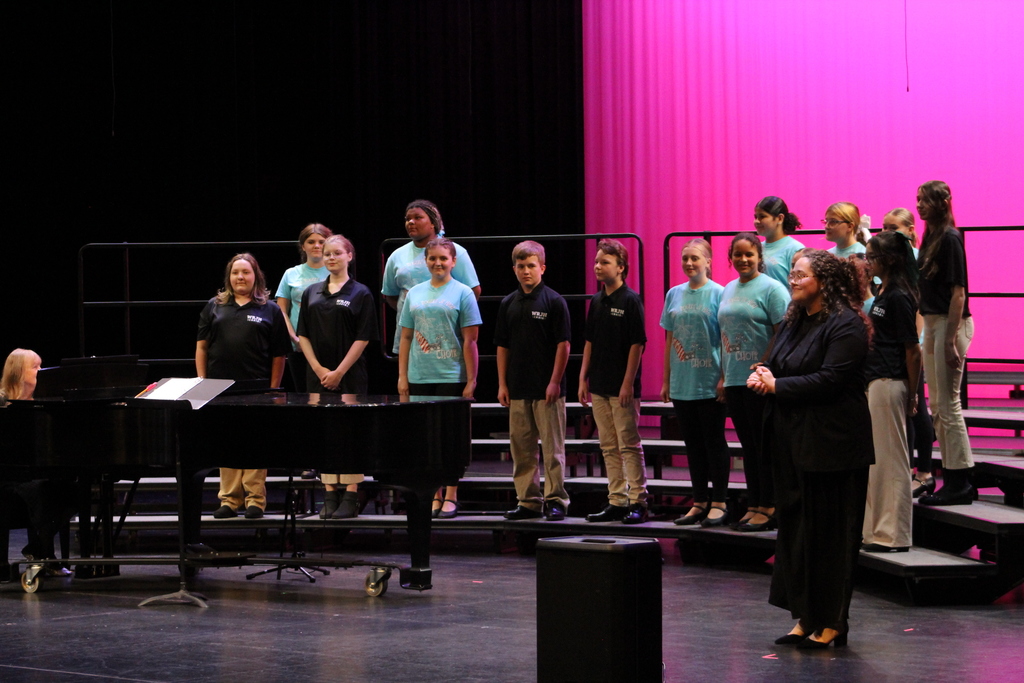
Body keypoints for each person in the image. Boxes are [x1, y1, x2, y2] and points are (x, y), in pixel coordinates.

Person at [747, 249, 874, 649]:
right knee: (799, 533)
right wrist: (766, 373)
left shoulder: (846, 325)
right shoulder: (794, 320)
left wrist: (778, 386)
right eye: (794, 275)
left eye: (801, 275)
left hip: (834, 447)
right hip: (794, 442)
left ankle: (833, 621)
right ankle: (805, 617)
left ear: (824, 280)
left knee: (832, 536)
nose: (794, 280)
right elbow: (782, 364)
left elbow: (830, 379)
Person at [197, 253, 291, 519]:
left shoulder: (269, 309)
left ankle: (254, 501)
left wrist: (273, 388)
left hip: (257, 389)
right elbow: (202, 347)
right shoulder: (213, 306)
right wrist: (202, 382)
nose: (241, 277)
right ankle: (229, 500)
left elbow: (279, 354)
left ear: (255, 276)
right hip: (219, 389)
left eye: (246, 272)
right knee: (227, 443)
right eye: (236, 272)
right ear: (229, 277)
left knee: (255, 443)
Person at [397, 237, 482, 519]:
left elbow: (470, 341)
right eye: (432, 258)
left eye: (443, 259)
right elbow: (406, 336)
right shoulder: (415, 293)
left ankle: (451, 495)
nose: (438, 263)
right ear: (426, 261)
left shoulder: (463, 293)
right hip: (419, 375)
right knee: (425, 440)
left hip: (451, 375)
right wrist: (402, 377)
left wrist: (471, 380)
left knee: (449, 439)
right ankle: (432, 494)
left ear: (453, 262)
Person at [297, 235, 379, 519]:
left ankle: (352, 493)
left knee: (350, 433)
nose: (330, 257)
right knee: (325, 434)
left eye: (336, 253)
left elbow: (364, 336)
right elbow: (303, 334)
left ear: (349, 256)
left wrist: (339, 372)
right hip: (318, 375)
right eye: (327, 253)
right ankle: (329, 492)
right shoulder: (312, 292)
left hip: (350, 374)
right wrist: (320, 370)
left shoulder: (361, 293)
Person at [718, 233, 790, 531]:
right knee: (748, 446)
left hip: (760, 381)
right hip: (735, 379)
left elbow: (783, 332)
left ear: (759, 256)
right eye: (738, 254)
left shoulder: (773, 289)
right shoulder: (728, 290)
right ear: (730, 257)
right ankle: (755, 503)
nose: (743, 260)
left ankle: (770, 505)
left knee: (764, 446)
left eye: (749, 254)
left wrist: (765, 366)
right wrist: (723, 375)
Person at [495, 241, 572, 522]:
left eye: (531, 266)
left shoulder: (553, 301)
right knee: (522, 448)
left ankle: (556, 500)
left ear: (542, 267)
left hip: (547, 389)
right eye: (521, 266)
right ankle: (528, 500)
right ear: (514, 269)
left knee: (552, 448)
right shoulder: (508, 304)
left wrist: (554, 381)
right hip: (518, 387)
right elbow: (502, 346)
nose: (526, 271)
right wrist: (503, 384)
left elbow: (563, 345)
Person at [579, 239, 649, 525]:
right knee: (608, 445)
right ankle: (617, 500)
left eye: (605, 262)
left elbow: (637, 344)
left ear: (621, 267)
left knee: (628, 443)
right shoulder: (597, 301)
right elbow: (589, 342)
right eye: (597, 262)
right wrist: (584, 377)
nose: (598, 266)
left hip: (621, 387)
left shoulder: (630, 300)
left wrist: (627, 383)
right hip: (599, 384)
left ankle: (638, 501)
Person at [660, 239, 730, 527]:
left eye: (695, 258)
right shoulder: (673, 294)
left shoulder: (720, 293)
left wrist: (725, 376)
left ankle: (720, 501)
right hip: (682, 381)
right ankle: (699, 500)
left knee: (714, 442)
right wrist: (666, 379)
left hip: (709, 380)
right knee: (692, 445)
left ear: (708, 261)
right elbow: (669, 339)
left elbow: (726, 338)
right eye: (685, 258)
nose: (689, 263)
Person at [915, 180, 975, 506]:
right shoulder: (932, 236)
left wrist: (951, 340)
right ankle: (955, 478)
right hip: (936, 323)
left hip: (950, 324)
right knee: (939, 407)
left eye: (925, 200)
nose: (920, 205)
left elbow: (958, 294)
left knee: (948, 406)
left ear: (943, 201)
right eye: (918, 199)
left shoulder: (950, 237)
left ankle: (959, 481)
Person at [861, 230, 921, 552]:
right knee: (877, 463)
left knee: (892, 462)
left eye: (872, 257)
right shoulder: (884, 292)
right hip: (876, 382)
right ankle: (874, 530)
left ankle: (894, 535)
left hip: (889, 383)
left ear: (891, 259)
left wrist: (912, 394)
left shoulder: (899, 296)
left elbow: (913, 350)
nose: (868, 262)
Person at [1, 349, 74, 578]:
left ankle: (40, 553)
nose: (41, 372)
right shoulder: (3, 401)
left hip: (36, 473)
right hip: (7, 476)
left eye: (41, 366)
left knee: (69, 488)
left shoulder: (46, 404)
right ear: (18, 372)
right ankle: (42, 554)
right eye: (35, 367)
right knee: (40, 491)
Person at [383, 200, 481, 356]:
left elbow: (473, 291)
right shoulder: (396, 256)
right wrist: (418, 311)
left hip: (447, 338)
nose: (411, 222)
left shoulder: (455, 252)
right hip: (410, 337)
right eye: (408, 219)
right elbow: (390, 295)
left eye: (418, 217)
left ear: (433, 223)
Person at [883, 208, 936, 496]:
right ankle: (909, 469)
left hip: (915, 340)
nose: (888, 232)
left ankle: (925, 471)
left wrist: (918, 341)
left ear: (911, 230)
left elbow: (918, 305)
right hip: (895, 342)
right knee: (908, 408)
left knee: (918, 406)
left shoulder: (915, 262)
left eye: (894, 227)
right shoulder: (890, 262)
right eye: (884, 227)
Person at [275, 223, 332, 391]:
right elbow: (282, 310)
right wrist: (294, 338)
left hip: (328, 345)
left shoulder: (336, 271)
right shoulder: (291, 274)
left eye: (322, 242)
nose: (316, 246)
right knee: (303, 392)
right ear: (303, 246)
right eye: (311, 241)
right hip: (298, 346)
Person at [754, 196, 805, 287]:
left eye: (762, 216)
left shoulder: (795, 249)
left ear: (780, 218)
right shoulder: (757, 248)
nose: (757, 221)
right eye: (755, 217)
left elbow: (800, 286)